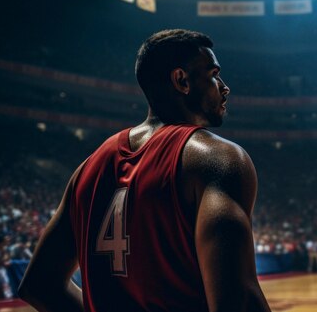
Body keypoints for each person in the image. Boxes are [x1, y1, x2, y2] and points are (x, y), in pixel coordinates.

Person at [19, 29, 271, 312]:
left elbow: (39, 285)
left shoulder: (87, 168)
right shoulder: (218, 158)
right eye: (213, 74)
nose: (224, 87)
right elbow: (239, 303)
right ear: (182, 80)